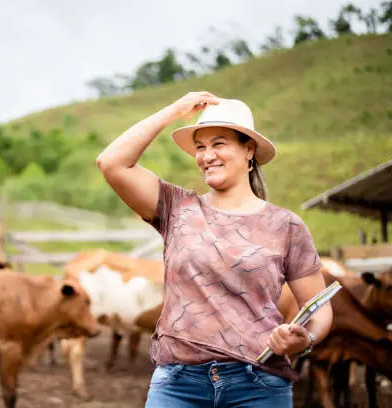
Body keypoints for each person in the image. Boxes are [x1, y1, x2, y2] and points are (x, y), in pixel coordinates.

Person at [96, 91, 333, 407]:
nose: (206, 156)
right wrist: (173, 111)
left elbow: (319, 308)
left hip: (259, 385)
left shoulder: (286, 225)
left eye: (218, 144)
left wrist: (306, 340)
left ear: (249, 149)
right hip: (178, 386)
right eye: (200, 147)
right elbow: (111, 162)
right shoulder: (176, 207)